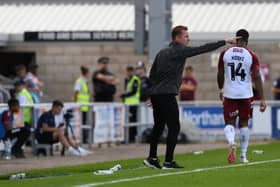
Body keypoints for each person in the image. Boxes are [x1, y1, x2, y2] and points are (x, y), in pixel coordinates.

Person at [144, 25, 238, 169]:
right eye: (186, 36)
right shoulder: (179, 50)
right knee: (174, 127)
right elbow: (202, 49)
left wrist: (151, 94)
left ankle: (152, 157)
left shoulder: (161, 52)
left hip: (157, 93)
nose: (189, 39)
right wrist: (224, 41)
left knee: (158, 126)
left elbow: (152, 74)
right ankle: (168, 161)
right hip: (167, 93)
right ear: (177, 38)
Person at [217, 29, 266, 164]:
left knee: (229, 123)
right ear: (247, 41)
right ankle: (243, 156)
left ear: (236, 39)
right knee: (244, 123)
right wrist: (262, 98)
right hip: (246, 94)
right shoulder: (251, 55)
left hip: (230, 93)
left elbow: (220, 73)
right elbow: (256, 76)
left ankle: (232, 142)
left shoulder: (225, 53)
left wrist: (221, 88)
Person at [120, 66, 141, 142]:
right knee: (127, 121)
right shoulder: (127, 80)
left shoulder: (135, 79)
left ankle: (131, 138)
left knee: (132, 121)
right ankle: (128, 137)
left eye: (130, 71)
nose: (129, 73)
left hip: (133, 104)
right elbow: (127, 90)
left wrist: (123, 95)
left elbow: (133, 92)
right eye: (128, 71)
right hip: (127, 104)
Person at [74, 66, 90, 143]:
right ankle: (82, 139)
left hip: (85, 106)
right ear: (86, 73)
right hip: (80, 106)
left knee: (84, 122)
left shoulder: (85, 81)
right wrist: (75, 104)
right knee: (81, 123)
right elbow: (76, 93)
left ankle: (84, 138)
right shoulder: (80, 81)